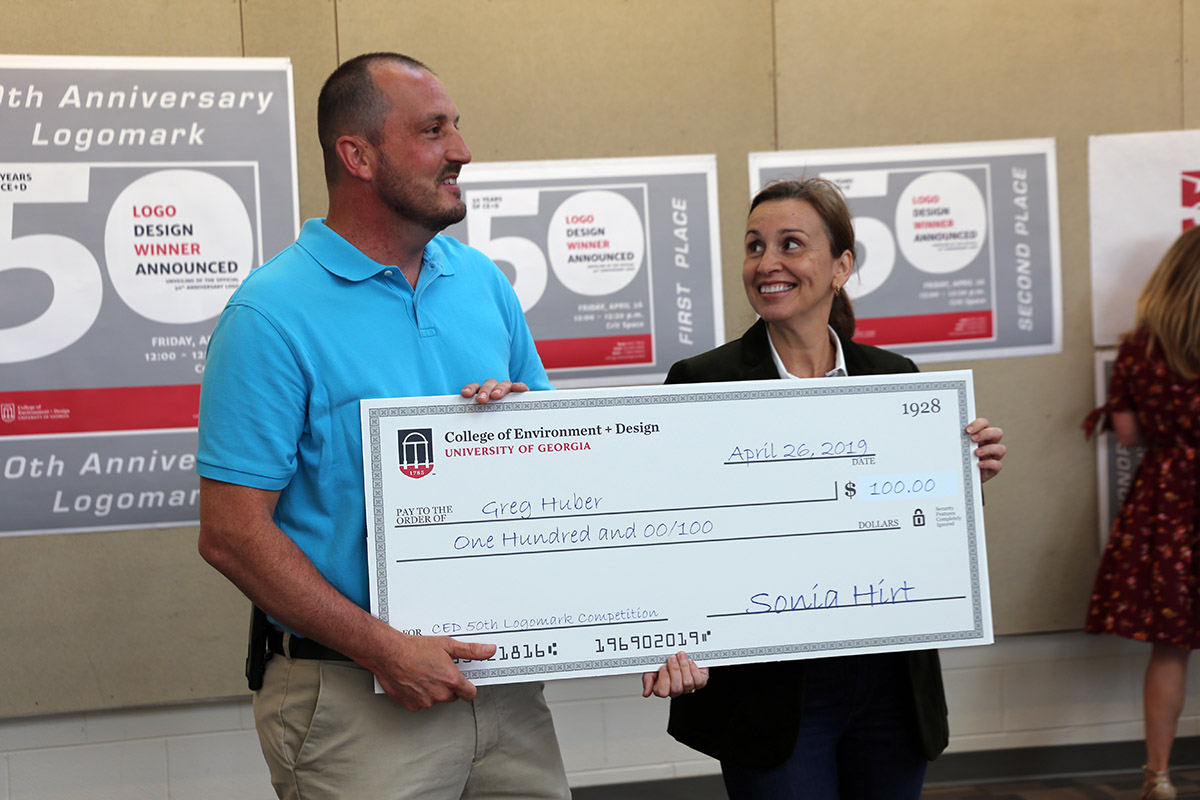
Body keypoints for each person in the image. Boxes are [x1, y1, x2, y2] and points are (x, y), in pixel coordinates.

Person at [195, 52, 570, 800]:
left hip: (504, 691)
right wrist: (387, 650)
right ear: (357, 155)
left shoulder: (481, 284)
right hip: (354, 702)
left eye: (457, 127)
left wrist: (518, 428)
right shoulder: (270, 314)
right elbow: (231, 533)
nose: (461, 150)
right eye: (434, 131)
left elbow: (557, 470)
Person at [640, 178, 1006, 799]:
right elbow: (675, 531)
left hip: (891, 680)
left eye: (791, 244)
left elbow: (901, 516)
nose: (768, 263)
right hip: (769, 692)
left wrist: (958, 486)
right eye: (755, 246)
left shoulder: (897, 379)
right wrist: (666, 633)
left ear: (841, 266)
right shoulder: (702, 382)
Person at [1083, 225, 1200, 800]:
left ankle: (1158, 775)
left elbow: (1127, 434)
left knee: (1170, 647)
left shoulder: (1140, 347)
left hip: (1170, 502)